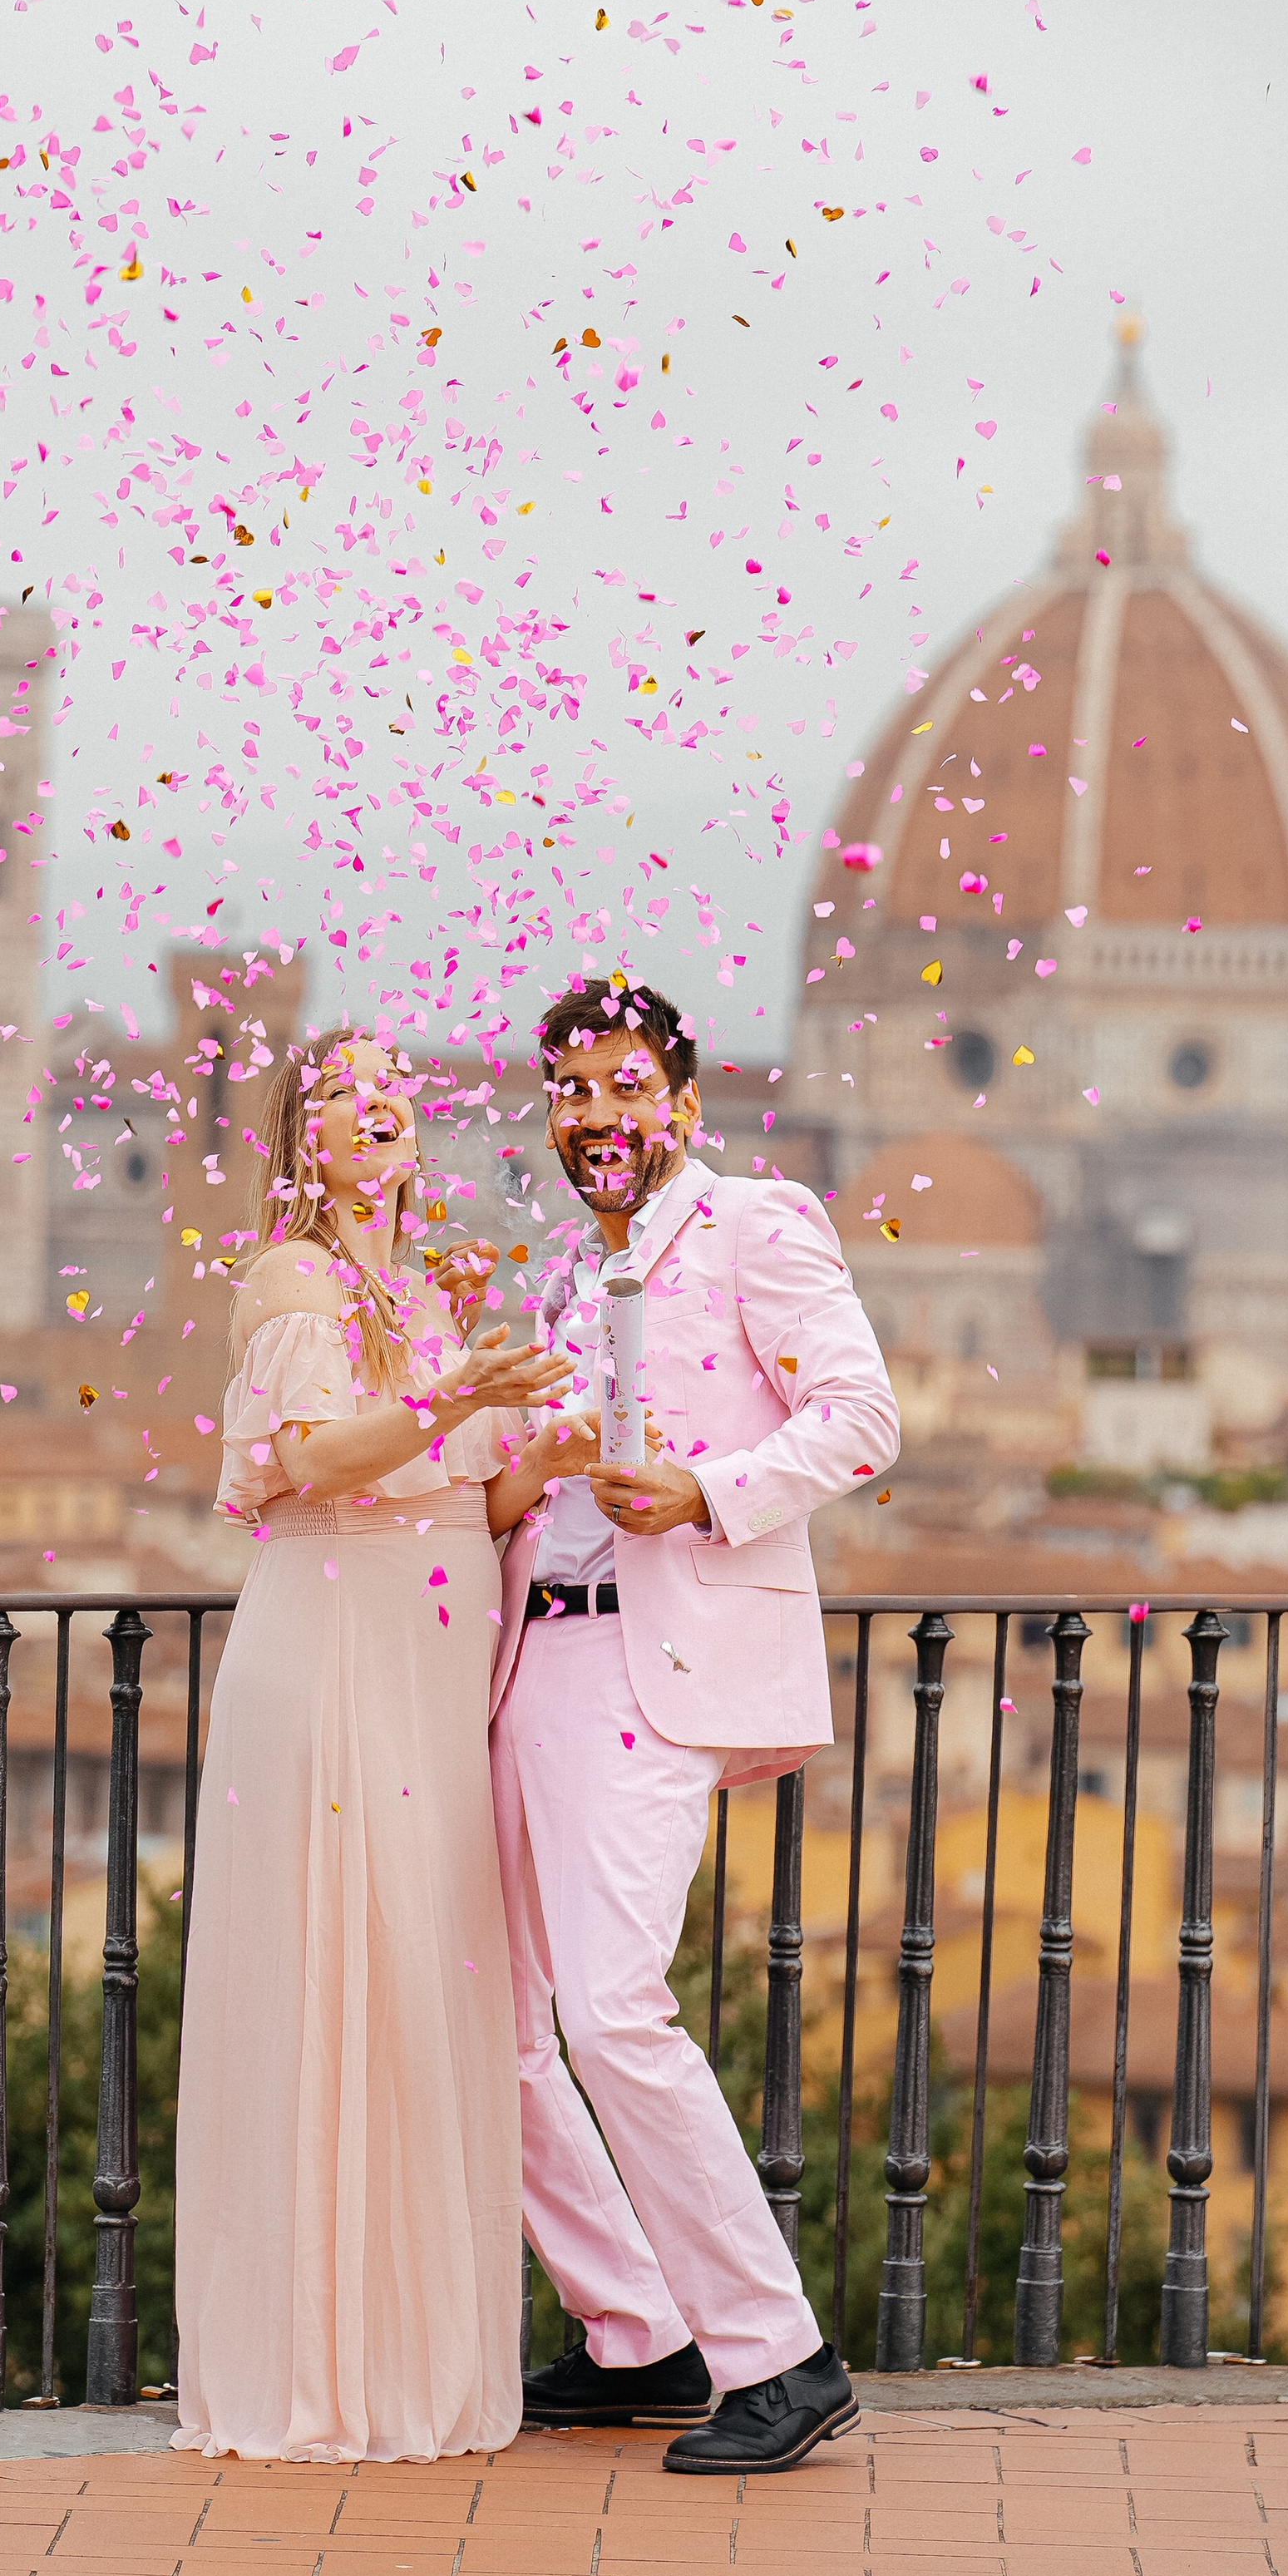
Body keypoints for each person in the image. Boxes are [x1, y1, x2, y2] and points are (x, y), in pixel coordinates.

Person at [491, 978, 901, 2475]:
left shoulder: (756, 1225)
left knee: (609, 2008)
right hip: (530, 1662)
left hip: (651, 1672)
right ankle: (637, 2330)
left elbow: (862, 1414)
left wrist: (709, 1492)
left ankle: (777, 2352)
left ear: (680, 1091)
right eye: (569, 1090)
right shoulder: (566, 1271)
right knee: (498, 2017)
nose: (593, 1114)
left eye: (619, 1085)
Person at [171, 1024, 586, 2462]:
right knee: (339, 1965)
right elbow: (310, 1459)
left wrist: (548, 1446)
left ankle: (416, 2356)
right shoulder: (291, 1281)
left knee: (424, 1976)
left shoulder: (424, 1285)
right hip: (337, 1635)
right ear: (300, 1142)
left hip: (429, 1650)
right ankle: (323, 2370)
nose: (380, 1106)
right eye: (343, 1094)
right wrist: (457, 1395)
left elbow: (466, 1498)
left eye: (394, 1087)